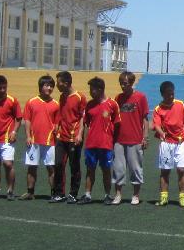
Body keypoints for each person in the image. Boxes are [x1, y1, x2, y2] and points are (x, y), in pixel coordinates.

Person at [77, 77, 120, 205]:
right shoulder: (89, 105)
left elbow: (117, 124)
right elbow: (85, 122)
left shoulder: (112, 104)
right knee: (90, 170)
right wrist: (80, 135)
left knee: (106, 170)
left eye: (93, 90)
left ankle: (107, 195)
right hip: (91, 144)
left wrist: (113, 142)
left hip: (106, 144)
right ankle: (87, 195)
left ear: (101, 89)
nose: (91, 92)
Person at [153, 81, 184, 207]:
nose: (171, 96)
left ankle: (182, 198)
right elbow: (156, 125)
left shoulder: (181, 104)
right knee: (165, 171)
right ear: (162, 94)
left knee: (181, 170)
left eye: (172, 93)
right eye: (168, 94)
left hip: (181, 142)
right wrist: (162, 133)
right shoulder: (158, 109)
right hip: (166, 143)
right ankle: (164, 198)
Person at [112, 71, 149, 205]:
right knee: (118, 169)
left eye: (125, 83)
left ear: (132, 83)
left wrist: (145, 137)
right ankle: (118, 194)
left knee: (135, 168)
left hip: (135, 140)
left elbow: (145, 119)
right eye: (121, 83)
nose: (122, 86)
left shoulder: (140, 97)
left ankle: (135, 195)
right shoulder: (118, 98)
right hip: (119, 140)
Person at [22, 75, 60, 201]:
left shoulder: (56, 104)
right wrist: (28, 136)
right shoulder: (31, 102)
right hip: (34, 141)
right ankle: (30, 192)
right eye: (46, 85)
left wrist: (56, 130)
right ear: (40, 87)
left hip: (50, 141)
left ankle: (54, 193)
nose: (49, 88)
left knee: (51, 168)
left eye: (51, 86)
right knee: (32, 167)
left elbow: (57, 122)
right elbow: (27, 120)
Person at [54, 71, 87, 203]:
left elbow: (83, 117)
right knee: (58, 164)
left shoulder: (80, 97)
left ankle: (73, 194)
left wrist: (80, 134)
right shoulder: (62, 96)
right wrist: (57, 125)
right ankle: (59, 193)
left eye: (58, 83)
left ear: (66, 83)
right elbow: (61, 113)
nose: (57, 85)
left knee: (74, 166)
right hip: (61, 137)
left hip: (74, 138)